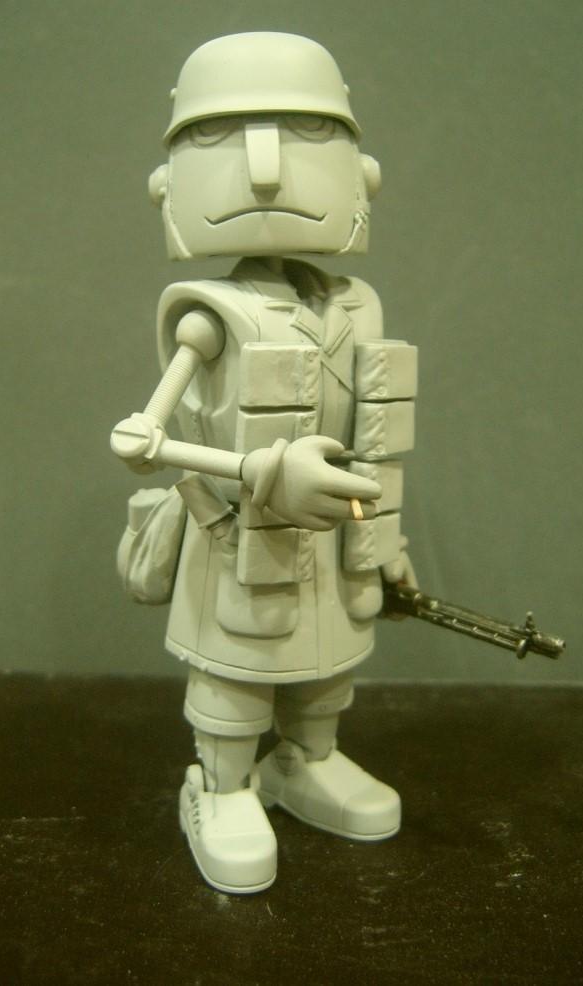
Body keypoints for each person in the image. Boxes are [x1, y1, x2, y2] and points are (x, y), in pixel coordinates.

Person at [111, 32, 417, 894]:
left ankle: (306, 760)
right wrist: (265, 474)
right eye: (222, 138)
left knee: (328, 670)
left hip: (335, 538)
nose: (267, 171)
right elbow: (140, 440)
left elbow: (375, 433)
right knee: (236, 677)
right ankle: (222, 787)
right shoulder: (209, 317)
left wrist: (387, 541)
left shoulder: (356, 307)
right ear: (168, 187)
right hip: (237, 535)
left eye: (306, 135)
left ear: (363, 175)